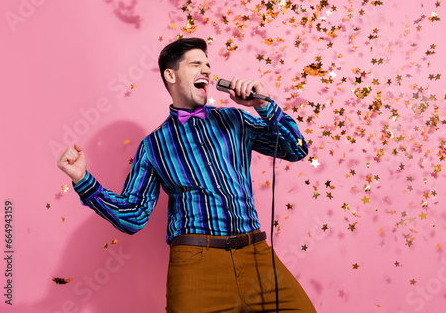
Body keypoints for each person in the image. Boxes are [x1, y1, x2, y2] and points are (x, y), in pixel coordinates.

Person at [57, 37, 316, 312]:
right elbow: (132, 216)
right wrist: (83, 180)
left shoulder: (236, 120)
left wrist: (263, 105)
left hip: (256, 254)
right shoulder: (153, 145)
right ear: (171, 75)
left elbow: (295, 149)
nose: (206, 69)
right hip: (196, 263)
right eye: (195, 64)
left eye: (207, 64)